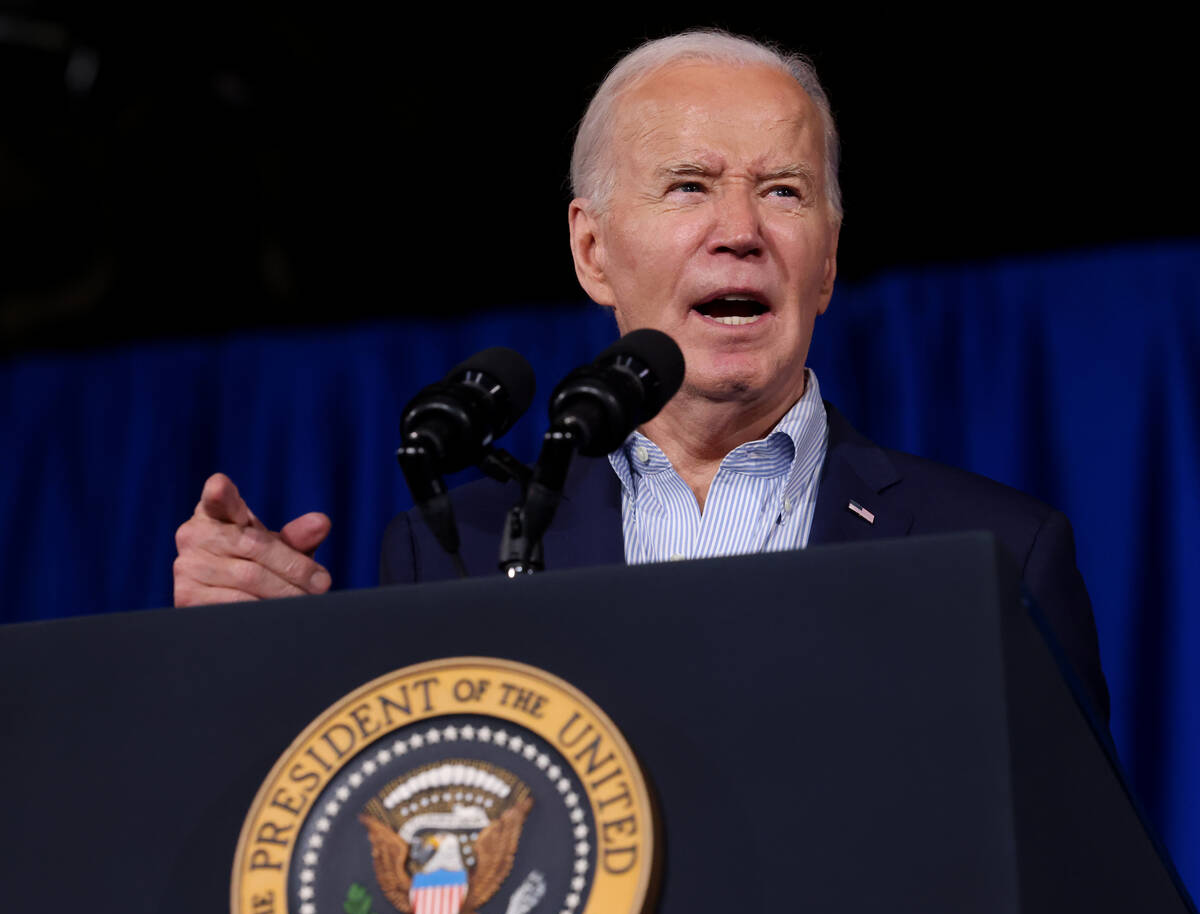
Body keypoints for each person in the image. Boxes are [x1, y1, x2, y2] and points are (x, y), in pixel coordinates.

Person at [173, 30, 1107, 719]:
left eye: (783, 190)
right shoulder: (450, 552)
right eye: (689, 185)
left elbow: (1077, 887)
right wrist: (273, 658)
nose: (741, 230)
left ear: (827, 261)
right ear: (592, 252)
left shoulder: (997, 552)